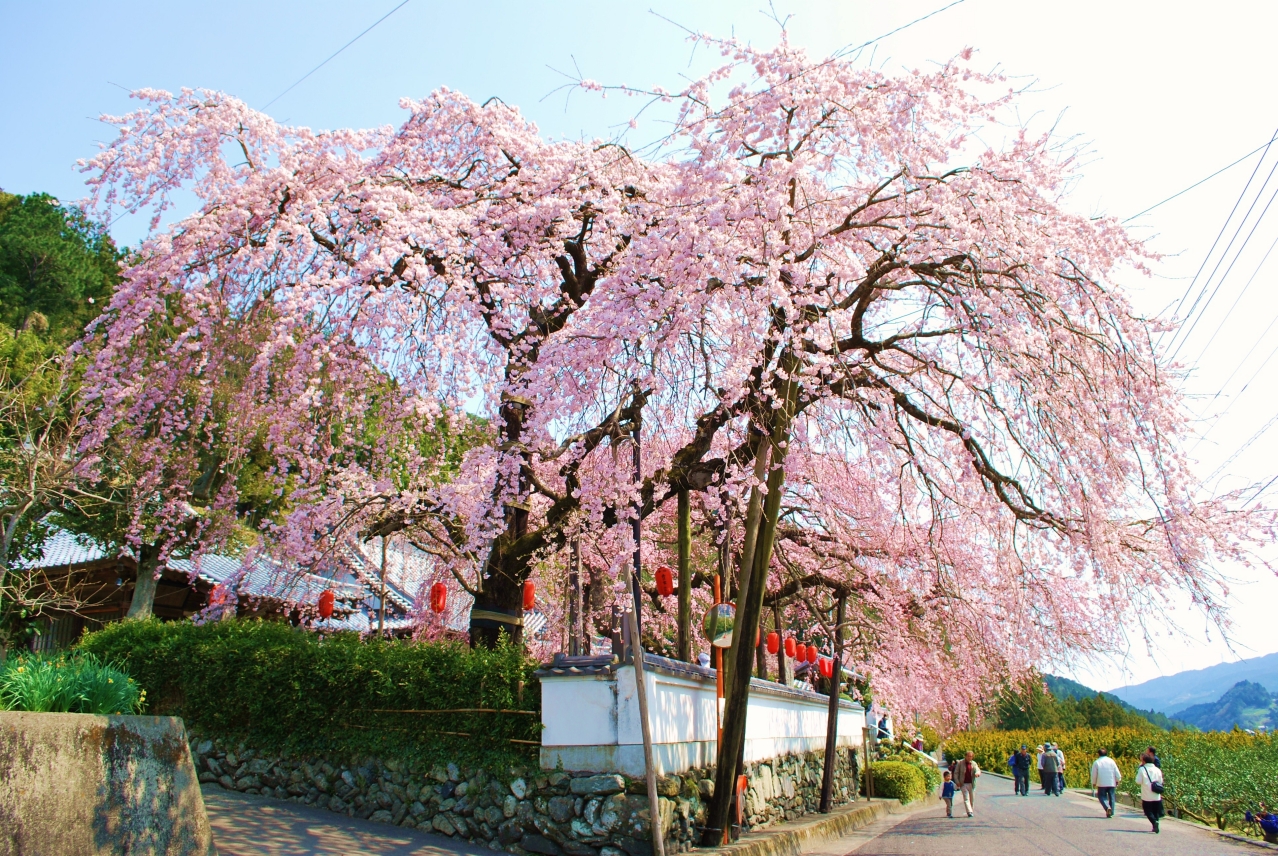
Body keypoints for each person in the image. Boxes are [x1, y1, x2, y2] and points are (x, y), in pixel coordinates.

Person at [1136, 750, 1165, 833]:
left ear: (1144, 761)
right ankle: (1156, 824)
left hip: (1146, 794)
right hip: (1156, 794)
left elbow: (1138, 781)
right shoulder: (1157, 770)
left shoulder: (1142, 769)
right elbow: (1160, 781)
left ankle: (1154, 822)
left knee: (1148, 810)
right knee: (1155, 811)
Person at [1090, 747, 1122, 818]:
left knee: (1101, 796)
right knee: (1112, 797)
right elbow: (1116, 771)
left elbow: (1094, 774)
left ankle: (1107, 807)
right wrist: (1118, 779)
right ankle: (1112, 812)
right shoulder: (1111, 761)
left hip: (1102, 783)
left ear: (1098, 754)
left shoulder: (1097, 762)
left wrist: (1094, 782)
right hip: (1111, 782)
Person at [951, 751, 982, 817]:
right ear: (965, 756)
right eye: (968, 756)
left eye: (971, 756)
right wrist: (957, 781)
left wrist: (977, 773)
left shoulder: (973, 763)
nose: (969, 758)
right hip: (963, 784)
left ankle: (971, 811)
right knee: (966, 798)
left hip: (972, 783)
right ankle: (969, 812)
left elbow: (977, 770)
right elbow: (956, 773)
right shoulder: (960, 763)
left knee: (972, 799)